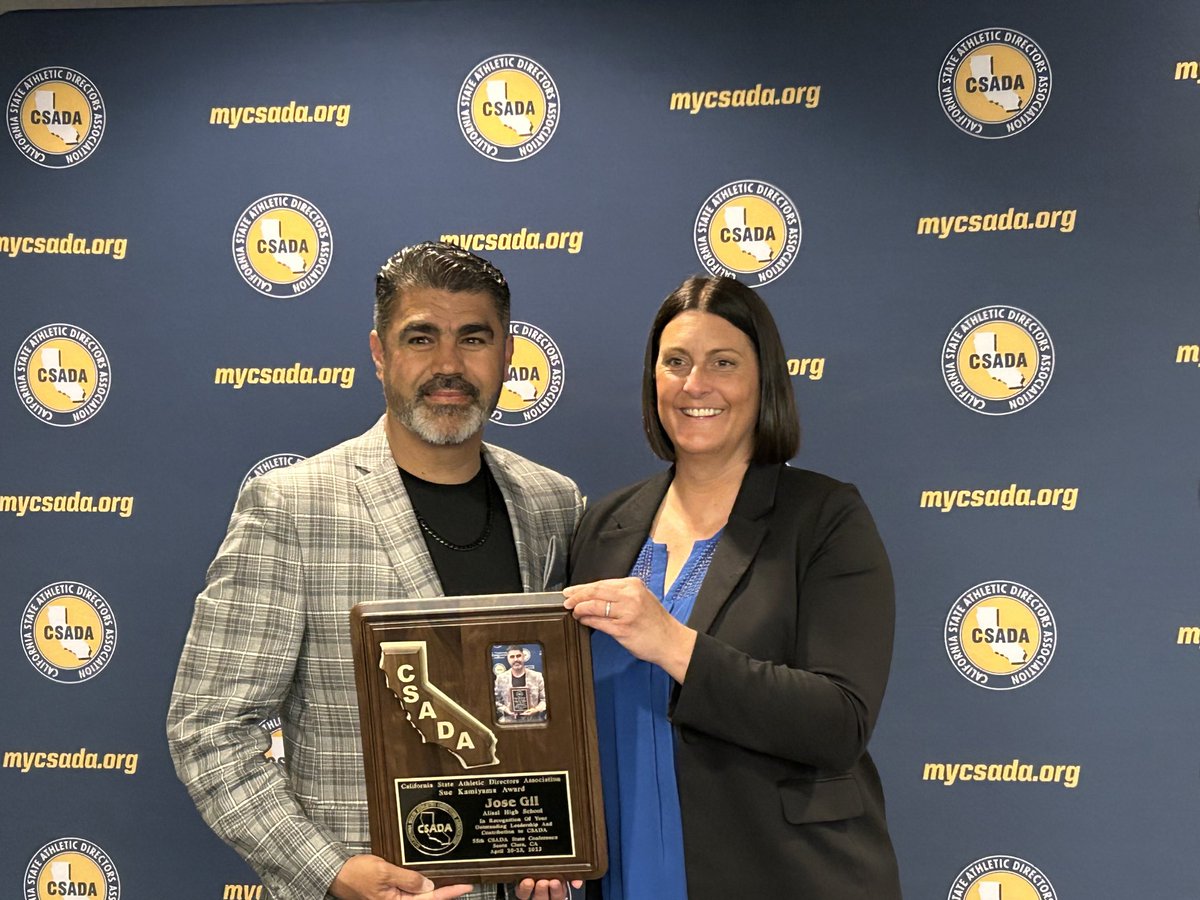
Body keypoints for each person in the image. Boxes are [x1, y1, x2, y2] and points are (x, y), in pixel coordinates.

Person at [167, 242, 584, 900]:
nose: (448, 365)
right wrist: (329, 870)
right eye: (421, 337)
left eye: (473, 338)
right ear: (379, 353)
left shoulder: (553, 503)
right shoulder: (291, 507)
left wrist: (558, 842)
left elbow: (557, 712)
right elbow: (209, 728)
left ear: (507, 354)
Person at [564, 276, 902, 899]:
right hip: (626, 872)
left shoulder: (825, 517)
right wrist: (548, 840)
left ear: (763, 380)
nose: (697, 385)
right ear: (654, 380)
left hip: (780, 875)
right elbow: (563, 716)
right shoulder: (603, 525)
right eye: (677, 362)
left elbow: (839, 723)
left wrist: (673, 644)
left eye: (724, 363)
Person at [493, 645, 548, 723]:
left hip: (534, 722)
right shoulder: (500, 679)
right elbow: (496, 701)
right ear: (508, 659)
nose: (516, 659)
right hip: (508, 723)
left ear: (523, 657)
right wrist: (506, 709)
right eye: (512, 657)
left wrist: (536, 710)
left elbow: (545, 700)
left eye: (518, 656)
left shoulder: (537, 676)